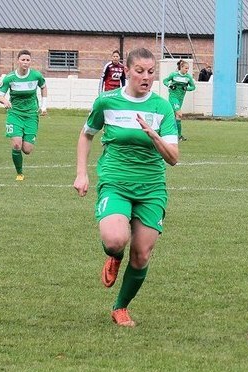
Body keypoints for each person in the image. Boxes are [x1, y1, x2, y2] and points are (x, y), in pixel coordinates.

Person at [73, 48, 179, 327]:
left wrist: (155, 136)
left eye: (151, 72)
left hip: (151, 187)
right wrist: (81, 174)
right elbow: (86, 136)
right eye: (140, 71)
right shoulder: (106, 102)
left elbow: (173, 159)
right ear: (127, 72)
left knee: (142, 253)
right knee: (114, 240)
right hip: (116, 183)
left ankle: (120, 307)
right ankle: (114, 257)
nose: (146, 77)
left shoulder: (162, 108)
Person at [0, 50, 47, 181]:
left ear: (30, 62)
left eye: (28, 60)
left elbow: (44, 86)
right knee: (16, 145)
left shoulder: (36, 76)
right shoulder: (9, 78)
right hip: (15, 114)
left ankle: (26, 138)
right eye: (23, 60)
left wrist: (44, 106)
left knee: (27, 149)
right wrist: (5, 101)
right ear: (18, 61)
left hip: (31, 115)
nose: (25, 62)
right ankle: (19, 174)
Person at [163, 59, 196, 141]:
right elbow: (165, 81)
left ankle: (178, 136)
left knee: (176, 116)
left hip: (181, 99)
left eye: (188, 68)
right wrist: (169, 85)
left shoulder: (188, 77)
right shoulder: (174, 75)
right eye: (185, 68)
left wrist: (186, 88)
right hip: (173, 97)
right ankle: (175, 135)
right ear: (181, 67)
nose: (187, 70)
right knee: (179, 114)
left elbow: (193, 87)